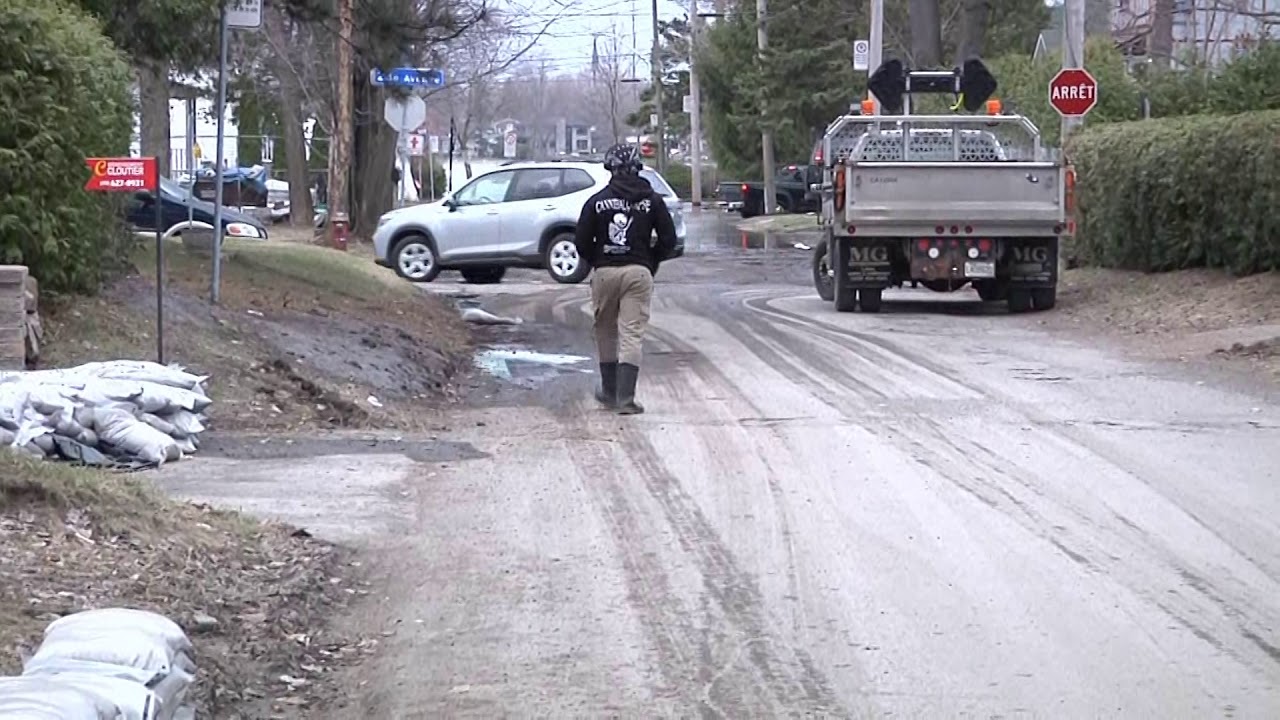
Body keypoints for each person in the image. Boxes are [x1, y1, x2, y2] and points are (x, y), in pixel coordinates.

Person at [574, 143, 678, 415]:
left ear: (610, 169)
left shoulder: (596, 201)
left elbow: (581, 242)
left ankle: (608, 392)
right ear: (637, 168)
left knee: (605, 330)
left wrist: (598, 261)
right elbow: (669, 240)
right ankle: (626, 399)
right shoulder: (653, 200)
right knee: (631, 333)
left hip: (605, 272)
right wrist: (650, 260)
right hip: (638, 272)